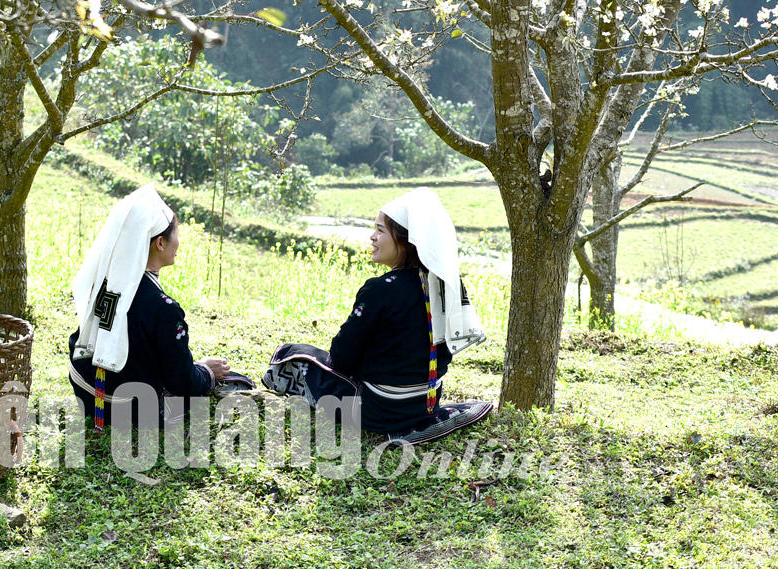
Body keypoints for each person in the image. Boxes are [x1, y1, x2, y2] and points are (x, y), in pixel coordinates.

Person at [263, 187, 491, 444]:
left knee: (292, 356)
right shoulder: (446, 285)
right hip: (426, 404)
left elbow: (341, 358)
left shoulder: (379, 289)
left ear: (407, 240)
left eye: (381, 230)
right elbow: (445, 354)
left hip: (378, 412)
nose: (372, 237)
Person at [69, 184, 230, 430]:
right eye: (175, 234)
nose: (179, 241)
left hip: (86, 391)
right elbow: (182, 383)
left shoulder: (103, 281)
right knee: (225, 384)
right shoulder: (164, 308)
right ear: (160, 244)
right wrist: (205, 371)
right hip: (127, 409)